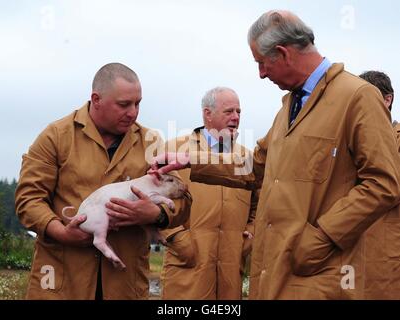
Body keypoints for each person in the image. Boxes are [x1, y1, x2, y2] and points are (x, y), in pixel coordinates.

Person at [150, 11, 400, 299]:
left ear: (283, 53)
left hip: (319, 278)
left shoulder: (358, 97)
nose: (261, 74)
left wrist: (321, 238)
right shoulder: (288, 108)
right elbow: (257, 166)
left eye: (261, 63)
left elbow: (383, 184)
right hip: (273, 274)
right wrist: (192, 160)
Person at [15, 62, 192, 300]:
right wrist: (61, 232)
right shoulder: (55, 136)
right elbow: (28, 199)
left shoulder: (152, 142)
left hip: (125, 285)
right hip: (61, 284)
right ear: (96, 99)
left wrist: (156, 214)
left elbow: (182, 199)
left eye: (138, 103)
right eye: (124, 104)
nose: (133, 112)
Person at [160, 87, 259, 300]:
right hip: (187, 269)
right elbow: (154, 201)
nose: (235, 117)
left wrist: (250, 235)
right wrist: (177, 239)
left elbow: (260, 205)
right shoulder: (176, 151)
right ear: (207, 114)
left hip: (230, 274)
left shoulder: (248, 159)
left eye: (239, 112)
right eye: (229, 111)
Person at [359, 70, 400, 299]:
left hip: (390, 257)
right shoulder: (353, 140)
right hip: (353, 256)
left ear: (387, 99)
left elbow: (389, 188)